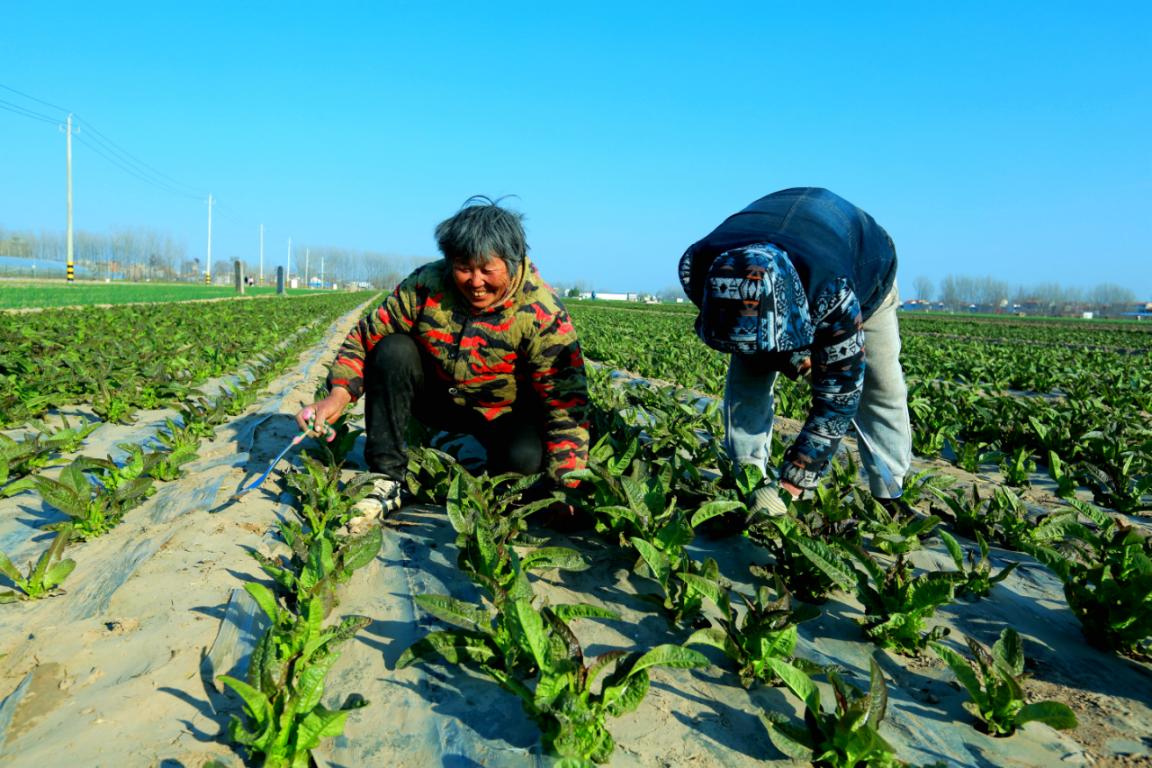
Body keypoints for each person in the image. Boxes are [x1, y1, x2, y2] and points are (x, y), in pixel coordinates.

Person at [296, 196, 590, 529]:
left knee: (521, 467)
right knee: (393, 349)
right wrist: (338, 394)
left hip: (504, 414)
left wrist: (566, 488)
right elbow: (366, 337)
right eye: (464, 267)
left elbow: (567, 405)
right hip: (438, 397)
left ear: (511, 261)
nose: (475, 281)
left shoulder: (543, 312)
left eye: (486, 269)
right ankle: (385, 476)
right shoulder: (427, 285)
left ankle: (491, 474)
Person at [678, 187, 912, 518]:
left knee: (880, 384)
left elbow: (837, 401)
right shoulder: (700, 268)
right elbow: (739, 337)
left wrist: (792, 484)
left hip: (865, 267)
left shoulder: (835, 293)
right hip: (789, 240)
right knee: (749, 374)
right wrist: (788, 357)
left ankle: (889, 493)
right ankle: (747, 478)